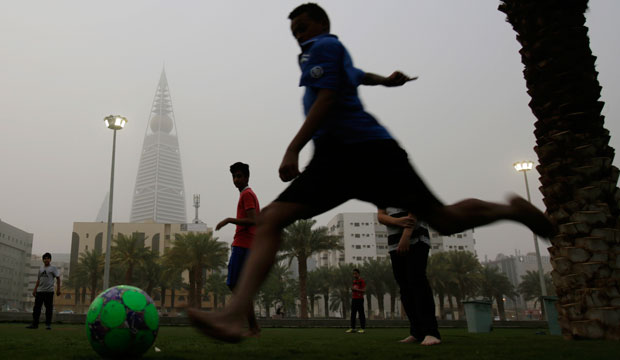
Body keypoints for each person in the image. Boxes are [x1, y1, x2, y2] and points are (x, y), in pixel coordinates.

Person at [188, 3, 554, 342]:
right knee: (271, 220)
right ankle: (235, 315)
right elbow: (357, 76)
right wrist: (387, 80)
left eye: (302, 26)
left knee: (444, 219)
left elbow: (328, 97)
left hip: (364, 151)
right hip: (340, 157)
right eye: (294, 31)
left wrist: (293, 147)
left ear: (321, 23)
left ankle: (512, 210)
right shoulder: (326, 53)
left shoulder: (324, 48)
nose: (298, 34)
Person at [378, 207, 441, 346]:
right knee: (405, 287)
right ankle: (417, 332)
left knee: (417, 282)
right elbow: (381, 216)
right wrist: (398, 221)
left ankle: (431, 332)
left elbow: (415, 209)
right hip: (394, 243)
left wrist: (406, 235)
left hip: (416, 238)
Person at [215, 162, 261, 337]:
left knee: (235, 284)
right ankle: (252, 327)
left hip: (244, 244)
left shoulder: (247, 195)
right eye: (234, 176)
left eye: (240, 176)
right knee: (238, 286)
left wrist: (228, 220)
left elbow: (253, 220)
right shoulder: (245, 194)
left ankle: (245, 324)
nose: (236, 179)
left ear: (247, 177)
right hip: (243, 244)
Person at [27, 253, 61, 330]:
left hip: (49, 291)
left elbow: (58, 278)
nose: (46, 259)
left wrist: (58, 289)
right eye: (45, 258)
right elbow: (38, 280)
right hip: (40, 291)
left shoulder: (53, 268)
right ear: (43, 260)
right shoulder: (41, 269)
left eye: (48, 258)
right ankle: (35, 324)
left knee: (48, 309)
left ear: (50, 259)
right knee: (36, 309)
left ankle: (48, 324)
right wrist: (35, 289)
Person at [346, 269, 366, 334]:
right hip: (354, 299)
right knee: (353, 314)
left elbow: (363, 290)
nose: (354, 275)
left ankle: (362, 328)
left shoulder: (361, 281)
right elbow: (354, 289)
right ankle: (353, 328)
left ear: (358, 274)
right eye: (353, 274)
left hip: (360, 299)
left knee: (361, 314)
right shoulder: (354, 281)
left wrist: (356, 289)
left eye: (355, 274)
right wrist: (353, 290)